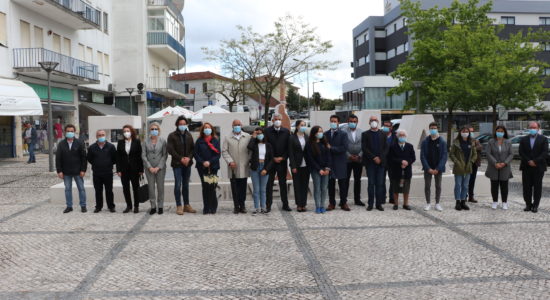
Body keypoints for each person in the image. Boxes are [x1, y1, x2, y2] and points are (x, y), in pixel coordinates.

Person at [167, 116, 197, 215]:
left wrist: (188, 158)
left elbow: (193, 149)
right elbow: (170, 149)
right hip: (177, 164)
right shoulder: (172, 135)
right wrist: (181, 159)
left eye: (184, 124)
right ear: (177, 125)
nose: (182, 126)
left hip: (187, 164)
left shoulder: (189, 135)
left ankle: (187, 205)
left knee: (186, 185)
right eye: (181, 124)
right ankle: (179, 205)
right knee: (177, 185)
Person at [222, 119, 252, 214]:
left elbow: (251, 150)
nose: (237, 126)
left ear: (241, 125)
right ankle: (236, 206)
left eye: (239, 124)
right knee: (234, 188)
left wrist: (248, 160)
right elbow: (224, 151)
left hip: (244, 166)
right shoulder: (227, 137)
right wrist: (230, 161)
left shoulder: (247, 136)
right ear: (232, 125)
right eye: (235, 125)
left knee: (243, 188)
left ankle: (242, 205)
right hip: (233, 167)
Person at [56, 124, 87, 213]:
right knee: (67, 189)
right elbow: (58, 158)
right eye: (68, 131)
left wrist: (83, 170)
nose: (70, 133)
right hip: (66, 172)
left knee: (81, 188)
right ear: (65, 132)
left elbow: (84, 158)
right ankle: (69, 206)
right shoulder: (61, 144)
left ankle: (83, 205)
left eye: (72, 131)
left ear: (74, 132)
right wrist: (59, 171)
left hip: (78, 171)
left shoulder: (80, 142)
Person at [519, 121, 548, 213]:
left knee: (537, 187)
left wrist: (535, 161)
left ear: (538, 128)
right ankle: (528, 204)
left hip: (538, 167)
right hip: (526, 166)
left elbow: (544, 152)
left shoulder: (543, 139)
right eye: (531, 127)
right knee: (526, 187)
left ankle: (535, 205)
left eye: (534, 127)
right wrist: (529, 161)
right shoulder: (523, 139)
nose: (532, 129)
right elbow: (521, 152)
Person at [265, 113, 291, 212]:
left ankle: (285, 204)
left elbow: (288, 147)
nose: (277, 121)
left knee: (283, 184)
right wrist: (273, 158)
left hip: (282, 162)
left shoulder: (286, 131)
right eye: (275, 119)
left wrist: (283, 157)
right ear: (272, 120)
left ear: (281, 120)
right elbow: (266, 147)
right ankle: (268, 205)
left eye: (279, 119)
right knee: (269, 184)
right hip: (270, 163)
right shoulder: (267, 131)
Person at [87, 129, 117, 213]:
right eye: (99, 135)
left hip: (108, 172)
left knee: (109, 190)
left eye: (102, 135)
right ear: (96, 136)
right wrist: (97, 163)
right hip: (97, 173)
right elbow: (89, 158)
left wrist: (108, 163)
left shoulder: (111, 146)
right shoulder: (92, 147)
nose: (101, 136)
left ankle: (111, 206)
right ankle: (98, 207)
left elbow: (115, 158)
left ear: (105, 136)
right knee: (98, 190)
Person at [361, 116, 388, 211]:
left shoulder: (383, 134)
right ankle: (370, 204)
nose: (373, 122)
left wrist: (380, 158)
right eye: (372, 120)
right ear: (369, 122)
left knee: (380, 184)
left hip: (381, 163)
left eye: (375, 120)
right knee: (371, 184)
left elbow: (386, 148)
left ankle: (379, 204)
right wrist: (374, 157)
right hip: (370, 163)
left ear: (378, 122)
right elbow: (364, 148)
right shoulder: (365, 134)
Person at [116, 125, 144, 214]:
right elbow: (118, 158)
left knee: (136, 188)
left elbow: (140, 156)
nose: (126, 133)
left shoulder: (137, 142)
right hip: (124, 170)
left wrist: (141, 170)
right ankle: (129, 205)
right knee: (125, 188)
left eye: (127, 131)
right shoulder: (120, 142)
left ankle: (136, 206)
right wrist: (118, 170)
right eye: (124, 131)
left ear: (131, 131)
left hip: (135, 169)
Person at [194, 122, 221, 214]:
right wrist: (203, 162)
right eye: (205, 127)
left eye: (208, 127)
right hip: (202, 167)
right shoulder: (199, 141)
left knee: (212, 186)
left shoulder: (215, 140)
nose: (207, 129)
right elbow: (196, 154)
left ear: (211, 129)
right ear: (202, 130)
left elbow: (218, 154)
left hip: (213, 167)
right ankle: (206, 207)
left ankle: (213, 207)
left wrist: (209, 162)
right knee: (205, 187)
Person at [420, 122, 448, 211]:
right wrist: (428, 168)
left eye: (434, 128)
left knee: (438, 186)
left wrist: (438, 168)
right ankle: (428, 203)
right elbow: (422, 156)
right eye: (431, 128)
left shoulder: (442, 141)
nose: (433, 130)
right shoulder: (425, 141)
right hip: (428, 168)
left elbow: (444, 156)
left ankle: (437, 203)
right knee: (427, 186)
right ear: (429, 129)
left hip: (438, 169)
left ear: (437, 129)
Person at [449, 126, 478, 211]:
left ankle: (463, 202)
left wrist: (471, 162)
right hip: (458, 167)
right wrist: (456, 162)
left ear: (469, 133)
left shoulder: (471, 142)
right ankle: (457, 201)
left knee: (465, 185)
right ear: (460, 132)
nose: (465, 132)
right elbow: (451, 154)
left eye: (466, 131)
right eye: (463, 131)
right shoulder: (456, 142)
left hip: (468, 167)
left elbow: (475, 154)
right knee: (458, 185)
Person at [485, 125, 513, 210]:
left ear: (504, 132)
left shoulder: (508, 142)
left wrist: (505, 163)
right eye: (498, 131)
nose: (500, 133)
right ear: (495, 132)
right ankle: (495, 201)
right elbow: (488, 153)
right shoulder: (491, 141)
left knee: (504, 185)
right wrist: (495, 163)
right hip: (494, 167)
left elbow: (511, 154)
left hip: (505, 167)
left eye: (501, 131)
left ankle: (504, 202)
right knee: (494, 185)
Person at [325, 115, 350, 211]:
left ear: (338, 122)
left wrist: (331, 148)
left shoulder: (343, 134)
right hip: (329, 163)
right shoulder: (325, 134)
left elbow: (344, 148)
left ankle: (344, 203)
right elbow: (324, 148)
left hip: (340, 162)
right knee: (330, 184)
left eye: (335, 121)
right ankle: (332, 203)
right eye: (331, 121)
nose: (333, 123)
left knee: (342, 184)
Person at [142, 122, 168, 215]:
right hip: (149, 169)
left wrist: (158, 167)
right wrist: (149, 167)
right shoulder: (145, 141)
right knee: (151, 188)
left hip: (160, 168)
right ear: (149, 130)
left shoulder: (163, 141)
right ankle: (153, 206)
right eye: (152, 129)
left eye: (156, 129)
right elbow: (143, 155)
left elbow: (165, 155)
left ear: (159, 130)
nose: (154, 131)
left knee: (161, 188)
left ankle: (160, 206)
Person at [305, 126, 332, 214]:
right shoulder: (309, 144)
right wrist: (319, 169)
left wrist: (327, 168)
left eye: (321, 131)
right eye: (318, 131)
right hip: (315, 169)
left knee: (324, 188)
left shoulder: (325, 143)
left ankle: (322, 205)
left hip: (326, 169)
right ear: (314, 133)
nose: (320, 133)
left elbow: (329, 157)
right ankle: (317, 206)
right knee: (317, 188)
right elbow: (310, 159)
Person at [388, 130, 416, 210]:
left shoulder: (410, 146)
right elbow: (391, 158)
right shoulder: (393, 146)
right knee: (395, 188)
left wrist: (407, 162)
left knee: (406, 189)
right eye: (400, 135)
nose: (402, 137)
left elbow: (413, 158)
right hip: (396, 170)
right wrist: (400, 161)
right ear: (397, 137)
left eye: (403, 135)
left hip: (406, 170)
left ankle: (405, 204)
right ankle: (396, 204)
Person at [249, 127, 273, 214]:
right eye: (257, 133)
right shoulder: (254, 144)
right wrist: (253, 137)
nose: (259, 135)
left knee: (263, 189)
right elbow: (249, 147)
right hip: (255, 167)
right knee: (256, 189)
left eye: (260, 133)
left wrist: (266, 169)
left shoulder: (268, 145)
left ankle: (263, 207)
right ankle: (256, 207)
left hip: (264, 167)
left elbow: (271, 159)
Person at [288, 120, 310, 212]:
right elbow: (291, 153)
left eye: (304, 125)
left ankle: (303, 204)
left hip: (306, 165)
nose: (303, 127)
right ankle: (298, 204)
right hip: (296, 165)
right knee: (297, 185)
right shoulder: (292, 138)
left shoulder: (307, 137)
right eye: (301, 125)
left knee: (305, 185)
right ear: (297, 127)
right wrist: (293, 166)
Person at [344, 115, 364, 206]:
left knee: (357, 180)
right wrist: (349, 156)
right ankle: (344, 200)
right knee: (345, 180)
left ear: (357, 122)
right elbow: (342, 145)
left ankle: (357, 199)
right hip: (347, 160)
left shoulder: (361, 132)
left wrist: (359, 155)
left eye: (354, 121)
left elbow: (364, 145)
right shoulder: (343, 131)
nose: (353, 123)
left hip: (358, 160)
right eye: (351, 121)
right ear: (348, 121)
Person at [382, 120, 396, 204]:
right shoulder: (380, 135)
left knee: (393, 181)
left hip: (392, 162)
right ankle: (382, 197)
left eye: (388, 126)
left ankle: (392, 197)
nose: (386, 127)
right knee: (381, 180)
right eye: (384, 125)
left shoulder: (395, 136)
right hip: (382, 161)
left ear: (391, 127)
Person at [467, 126, 483, 203]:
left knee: (472, 180)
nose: (471, 133)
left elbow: (480, 147)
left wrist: (472, 147)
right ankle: (464, 196)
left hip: (474, 163)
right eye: (470, 131)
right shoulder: (463, 140)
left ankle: (471, 196)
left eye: (472, 131)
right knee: (465, 180)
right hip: (466, 163)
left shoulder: (476, 140)